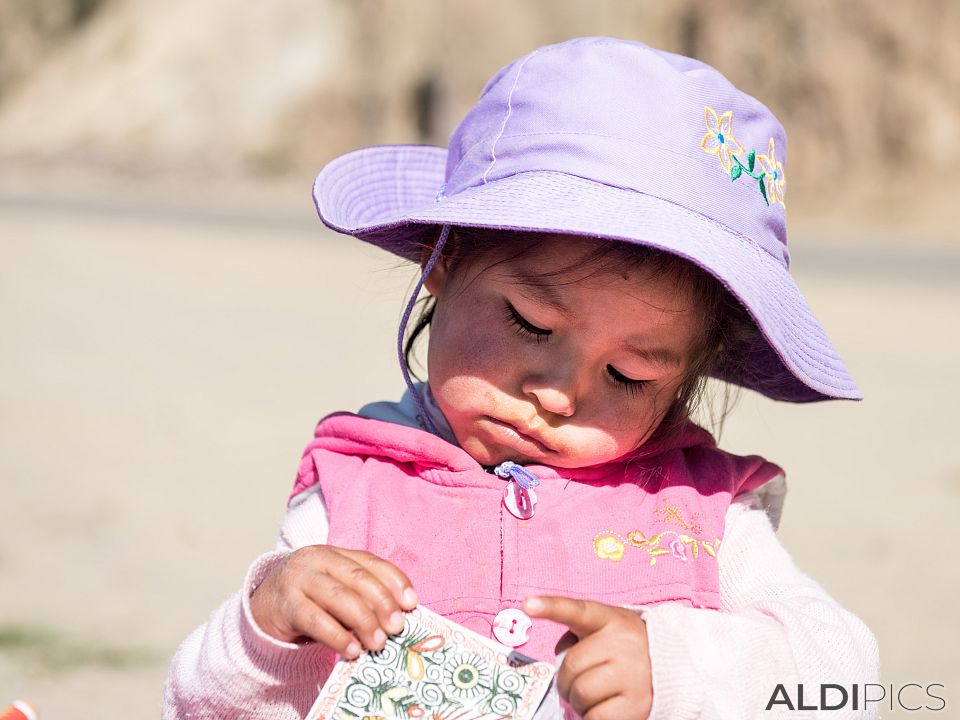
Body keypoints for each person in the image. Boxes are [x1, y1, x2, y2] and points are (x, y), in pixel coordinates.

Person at [163, 37, 879, 719]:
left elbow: (848, 681)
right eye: (532, 324)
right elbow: (201, 705)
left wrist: (676, 667)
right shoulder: (358, 491)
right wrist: (268, 627)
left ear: (687, 377)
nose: (559, 395)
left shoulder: (701, 512)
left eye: (629, 375)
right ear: (442, 262)